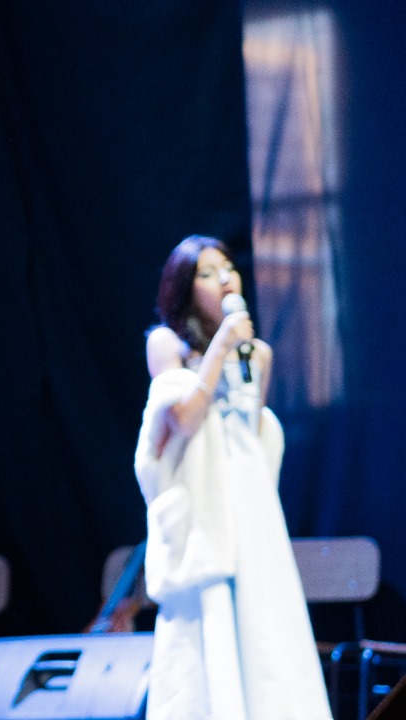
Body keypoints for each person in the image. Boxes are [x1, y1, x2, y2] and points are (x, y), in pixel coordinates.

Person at [134, 235, 330, 719]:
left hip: (251, 503)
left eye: (227, 268)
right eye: (206, 272)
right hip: (204, 510)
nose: (224, 278)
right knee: (210, 624)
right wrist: (220, 347)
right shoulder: (168, 344)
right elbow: (183, 419)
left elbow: (252, 433)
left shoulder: (256, 354)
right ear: (182, 287)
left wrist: (238, 350)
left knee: (265, 623)